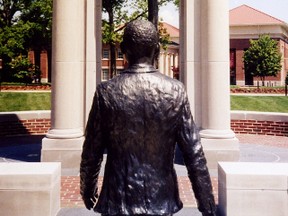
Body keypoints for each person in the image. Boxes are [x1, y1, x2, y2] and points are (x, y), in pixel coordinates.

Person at [80, 20, 216, 216]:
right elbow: (193, 152)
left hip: (118, 200)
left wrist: (87, 187)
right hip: (161, 199)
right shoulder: (176, 90)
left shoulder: (106, 92)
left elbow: (91, 151)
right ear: (158, 50)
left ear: (124, 49)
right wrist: (206, 200)